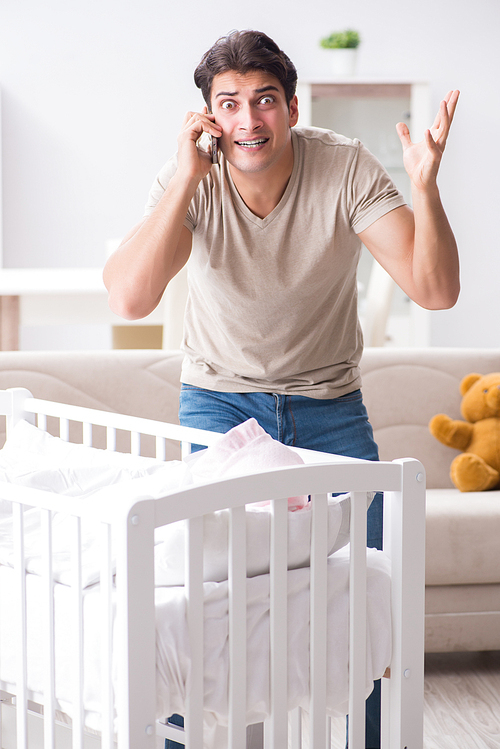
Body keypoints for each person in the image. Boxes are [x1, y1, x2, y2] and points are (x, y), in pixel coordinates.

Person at [103, 29, 459, 749]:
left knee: (365, 600)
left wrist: (424, 187)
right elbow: (129, 299)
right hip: (219, 406)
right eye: (228, 103)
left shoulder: (344, 167)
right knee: (197, 601)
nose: (248, 119)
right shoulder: (190, 182)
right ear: (207, 117)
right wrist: (184, 181)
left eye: (264, 100)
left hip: (330, 410)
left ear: (292, 108)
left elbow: (437, 289)